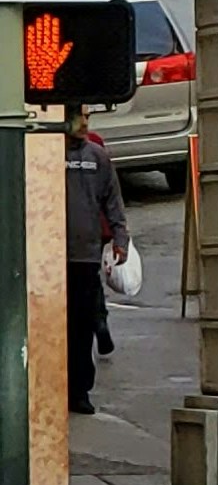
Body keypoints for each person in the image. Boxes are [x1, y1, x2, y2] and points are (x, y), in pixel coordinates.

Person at [62, 108, 128, 413]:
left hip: (84, 256)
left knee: (81, 325)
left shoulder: (97, 156)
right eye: (79, 116)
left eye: (87, 116)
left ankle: (79, 389)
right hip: (50, 256)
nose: (85, 122)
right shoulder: (46, 152)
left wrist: (120, 238)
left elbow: (112, 199)